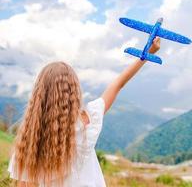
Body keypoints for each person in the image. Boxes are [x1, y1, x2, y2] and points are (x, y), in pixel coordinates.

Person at [7, 38, 161, 187]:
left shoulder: (28, 146)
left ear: (39, 95)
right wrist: (147, 53)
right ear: (74, 92)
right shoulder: (87, 122)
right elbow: (118, 84)